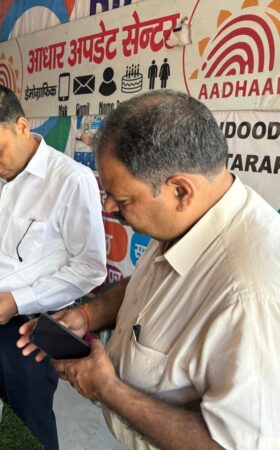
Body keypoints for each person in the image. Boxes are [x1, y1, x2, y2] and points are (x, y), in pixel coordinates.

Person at [18, 90, 280, 449]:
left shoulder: (251, 294)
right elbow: (151, 287)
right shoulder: (189, 218)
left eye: (123, 199)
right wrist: (88, 315)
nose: (109, 207)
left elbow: (233, 445)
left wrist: (107, 389)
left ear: (181, 191)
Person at [0, 81, 107, 449]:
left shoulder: (71, 181)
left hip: (29, 332)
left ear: (22, 126)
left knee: (30, 430)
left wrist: (18, 300)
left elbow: (90, 268)